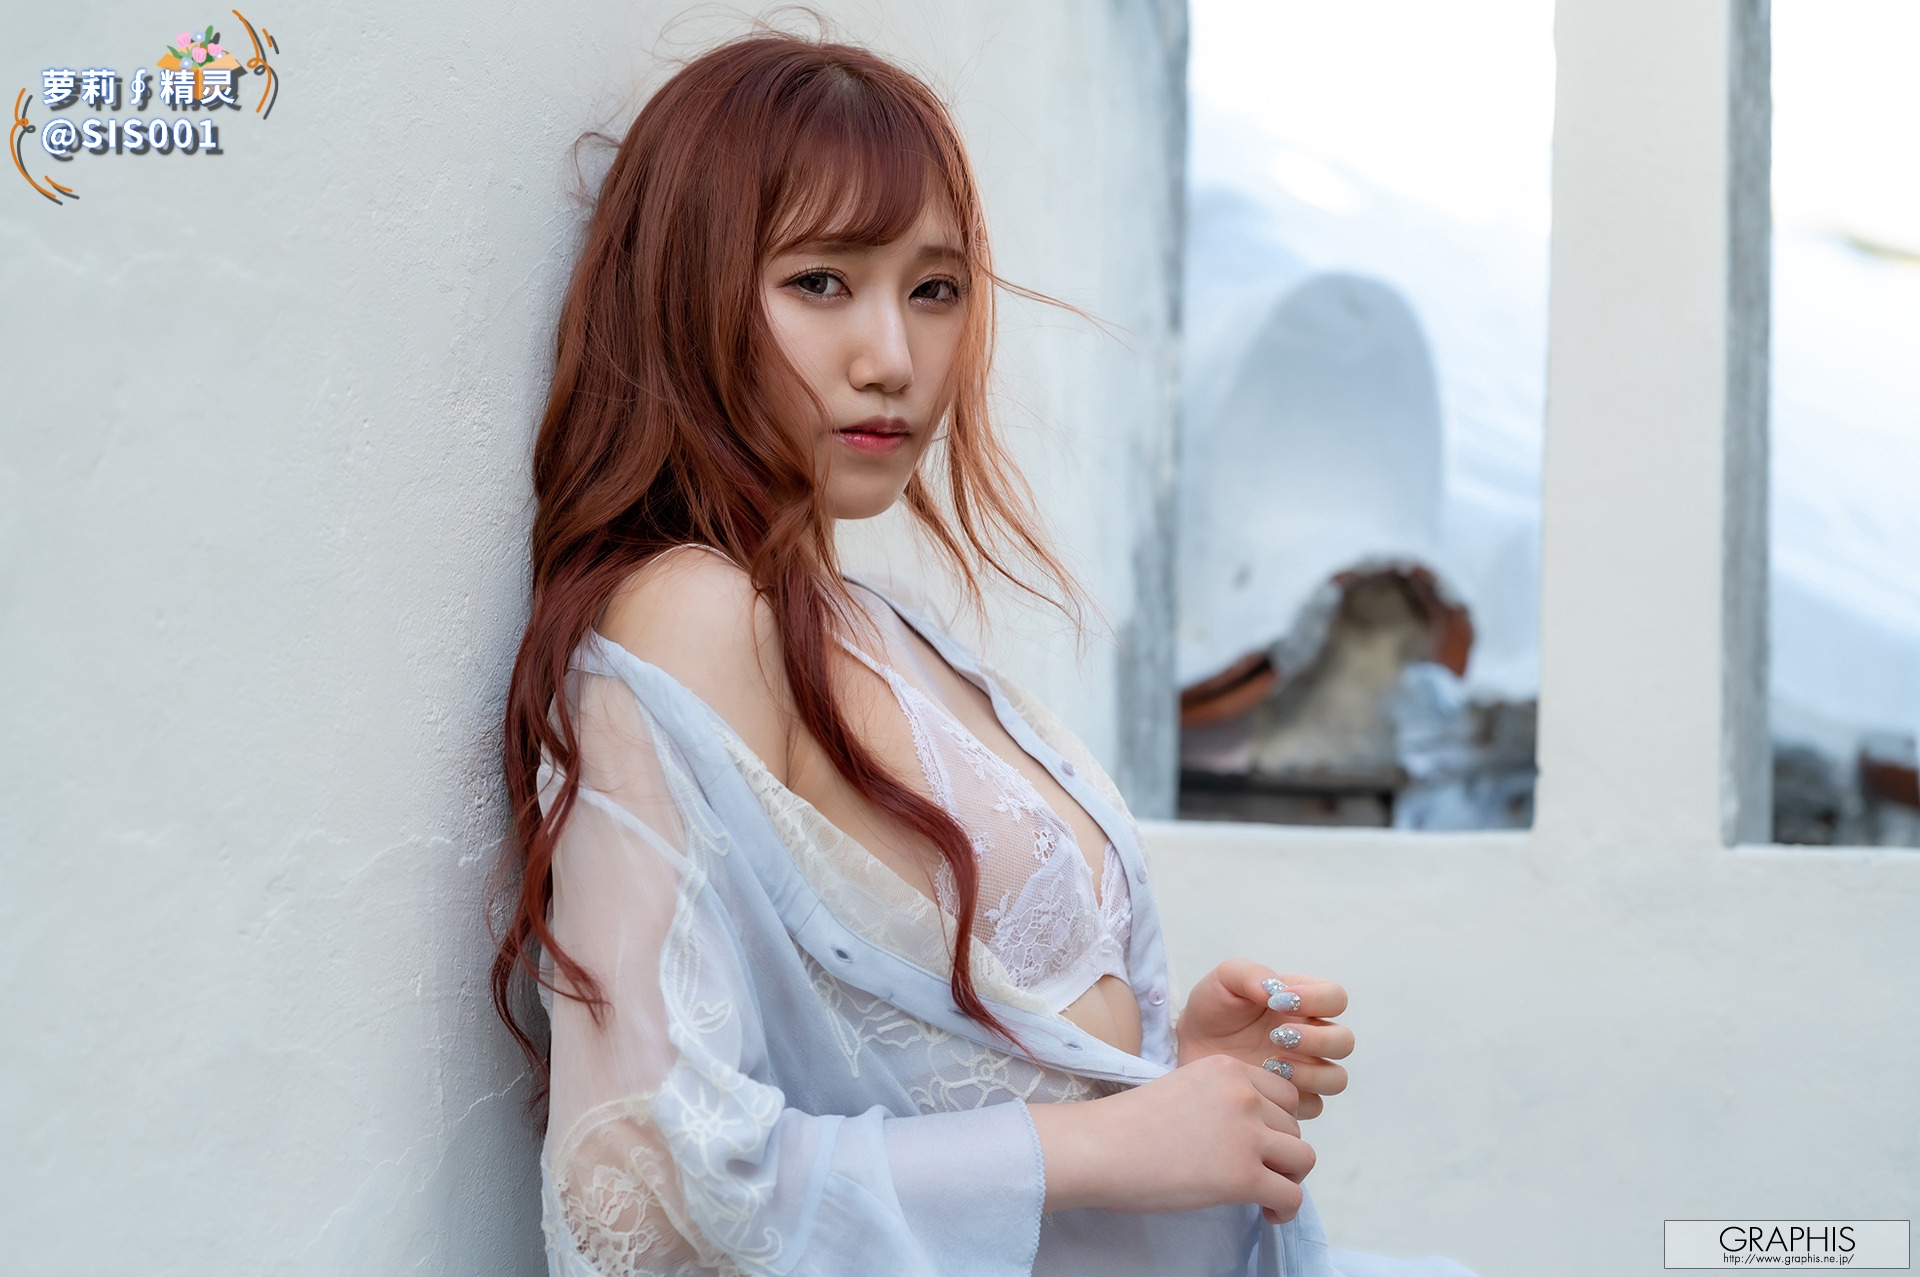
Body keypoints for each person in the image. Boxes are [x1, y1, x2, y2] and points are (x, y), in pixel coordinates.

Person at [493, 32, 1474, 1277]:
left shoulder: (887, 623)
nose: (893, 360)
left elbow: (941, 1073)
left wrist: (1174, 1078)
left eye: (935, 289)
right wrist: (1105, 1144)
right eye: (820, 281)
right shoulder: (693, 614)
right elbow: (631, 1185)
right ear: (689, 293)